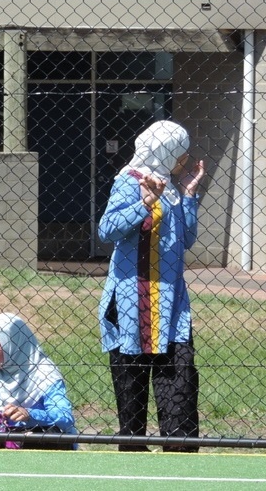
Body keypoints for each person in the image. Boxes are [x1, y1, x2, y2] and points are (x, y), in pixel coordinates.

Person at [97, 120, 205, 452]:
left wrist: (188, 195)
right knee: (132, 391)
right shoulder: (131, 182)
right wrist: (143, 204)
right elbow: (107, 229)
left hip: (170, 304)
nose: (185, 160)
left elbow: (186, 239)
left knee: (179, 380)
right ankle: (133, 451)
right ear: (165, 151)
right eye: (181, 153)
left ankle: (179, 450)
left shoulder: (171, 188)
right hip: (133, 301)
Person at [0, 312, 78, 450]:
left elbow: (64, 417)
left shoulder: (43, 372)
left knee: (44, 438)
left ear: (13, 346)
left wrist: (30, 415)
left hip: (33, 438)